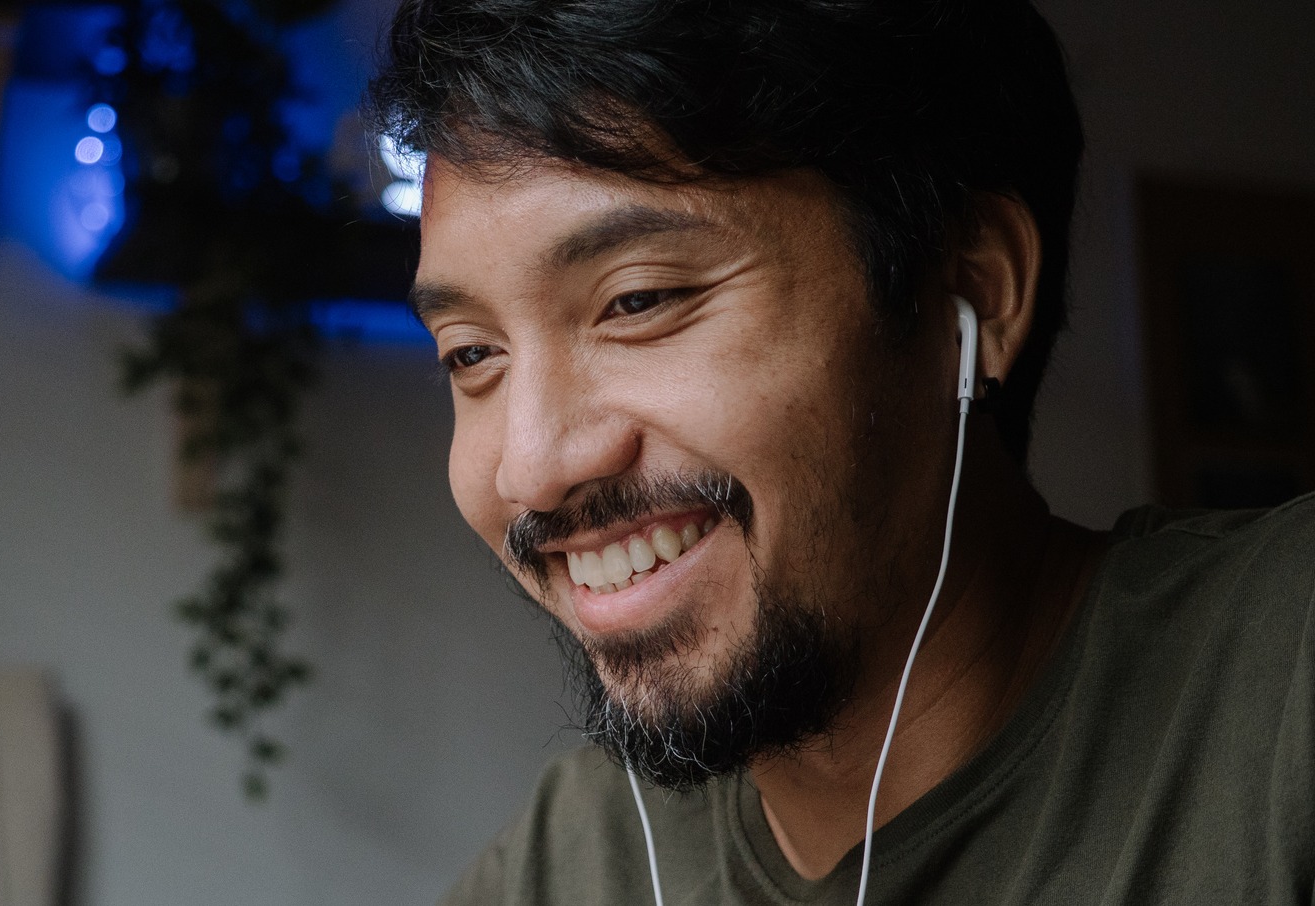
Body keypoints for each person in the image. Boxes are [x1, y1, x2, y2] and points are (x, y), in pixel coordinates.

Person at [365, 0, 1315, 903]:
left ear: (973, 292)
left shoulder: (1279, 691)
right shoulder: (573, 857)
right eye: (472, 355)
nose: (529, 468)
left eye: (641, 299)